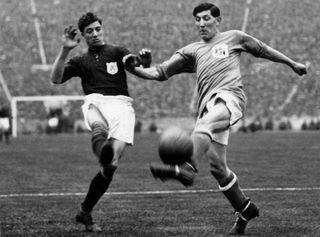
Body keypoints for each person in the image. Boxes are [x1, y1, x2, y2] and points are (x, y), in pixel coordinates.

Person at [123, 2, 308, 235]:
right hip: (207, 107)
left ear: (217, 20)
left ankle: (186, 168)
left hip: (230, 97)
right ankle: (245, 209)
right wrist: (135, 70)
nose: (201, 23)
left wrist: (292, 63)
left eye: (206, 18)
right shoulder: (190, 51)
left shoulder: (234, 38)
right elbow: (161, 72)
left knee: (206, 123)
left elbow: (263, 49)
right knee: (218, 167)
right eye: (197, 19)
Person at [50, 12, 151, 232]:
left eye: (97, 29)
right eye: (89, 31)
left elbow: (132, 62)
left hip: (122, 107)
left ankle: (84, 212)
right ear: (84, 36)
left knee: (111, 165)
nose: (95, 34)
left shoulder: (117, 51)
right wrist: (65, 49)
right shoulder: (80, 60)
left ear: (102, 29)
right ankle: (101, 146)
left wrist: (143, 61)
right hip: (96, 101)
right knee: (99, 125)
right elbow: (56, 79)